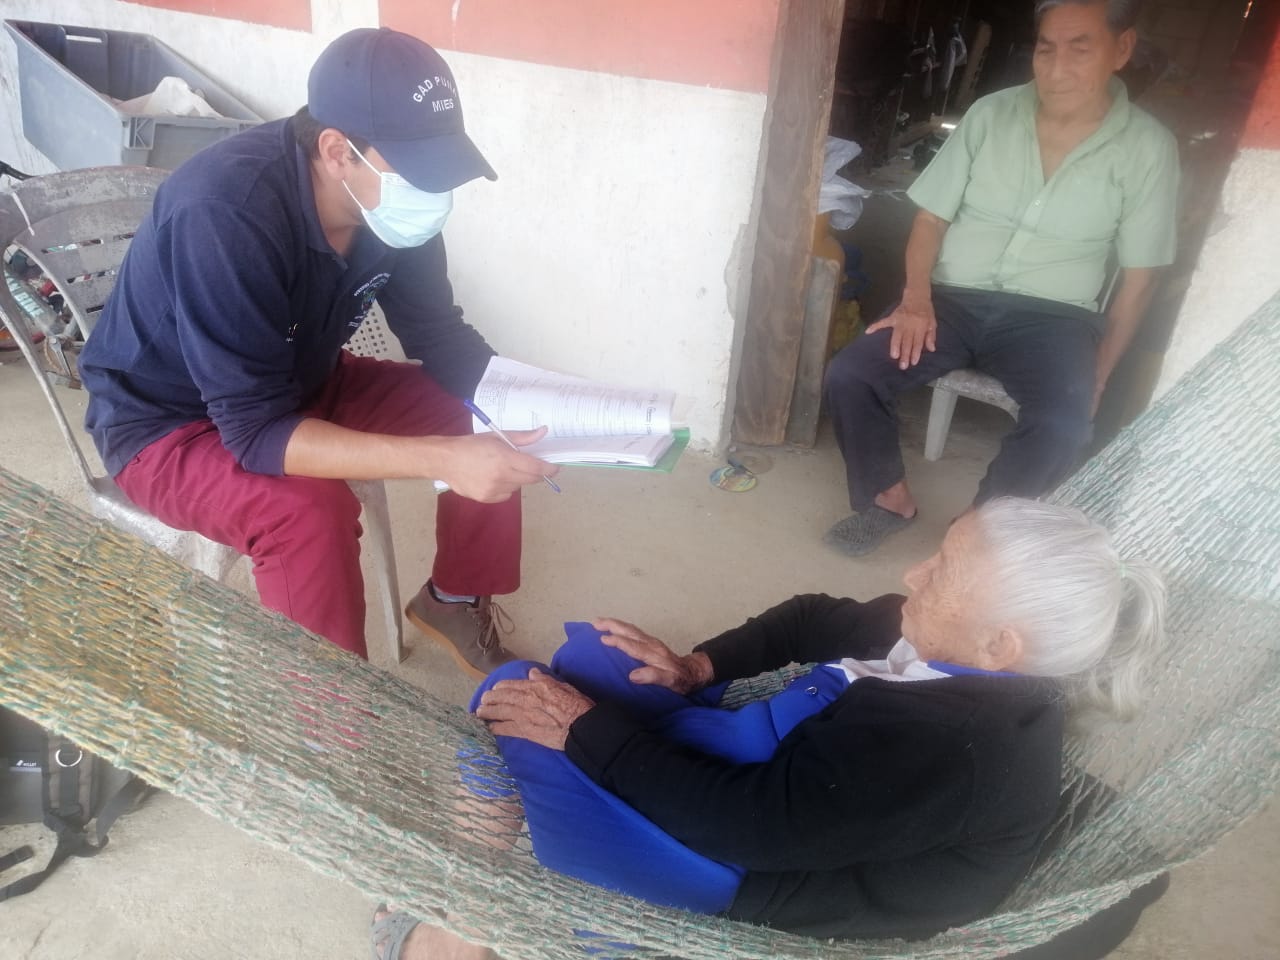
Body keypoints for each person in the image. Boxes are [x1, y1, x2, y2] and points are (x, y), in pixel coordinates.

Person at [370, 497, 1167, 958]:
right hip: (770, 771)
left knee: (513, 701)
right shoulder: (943, 640)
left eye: (943, 571)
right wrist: (697, 667)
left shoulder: (960, 748)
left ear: (1001, 647)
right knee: (593, 662)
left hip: (740, 879)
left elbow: (746, 826)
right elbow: (812, 616)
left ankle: (464, 931)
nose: (912, 573)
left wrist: (583, 730)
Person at [78, 28, 560, 673]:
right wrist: (442, 457)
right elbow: (255, 433)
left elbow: (439, 334)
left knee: (484, 416)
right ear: (337, 151)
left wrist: (537, 398)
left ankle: (453, 599)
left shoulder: (388, 208)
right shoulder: (224, 211)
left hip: (296, 380)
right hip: (167, 423)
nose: (434, 192)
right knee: (305, 514)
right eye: (417, 169)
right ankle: (334, 716)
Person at [822, 0, 1179, 556]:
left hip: (1054, 319)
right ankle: (888, 498)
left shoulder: (1148, 148)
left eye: (1080, 49)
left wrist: (1100, 374)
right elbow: (930, 218)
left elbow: (1141, 278)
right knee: (852, 374)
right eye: (1046, 49)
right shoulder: (990, 116)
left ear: (1122, 49)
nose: (1057, 69)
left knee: (1066, 425)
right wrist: (915, 299)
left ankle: (979, 525)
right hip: (950, 301)